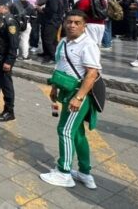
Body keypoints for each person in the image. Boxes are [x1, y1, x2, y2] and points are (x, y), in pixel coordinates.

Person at [40, 10, 101, 189]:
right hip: (66, 91)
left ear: (84, 26)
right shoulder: (65, 42)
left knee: (65, 131)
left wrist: (79, 97)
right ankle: (84, 173)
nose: (72, 25)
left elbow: (91, 74)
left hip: (78, 94)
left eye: (77, 22)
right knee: (77, 133)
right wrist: (54, 87)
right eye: (69, 22)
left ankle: (64, 172)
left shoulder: (88, 44)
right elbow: (61, 66)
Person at [37, 0, 63, 64]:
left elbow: (52, 11)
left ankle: (53, 57)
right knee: (45, 39)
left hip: (52, 22)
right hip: (48, 21)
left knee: (49, 40)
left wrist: (41, 9)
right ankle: (46, 54)